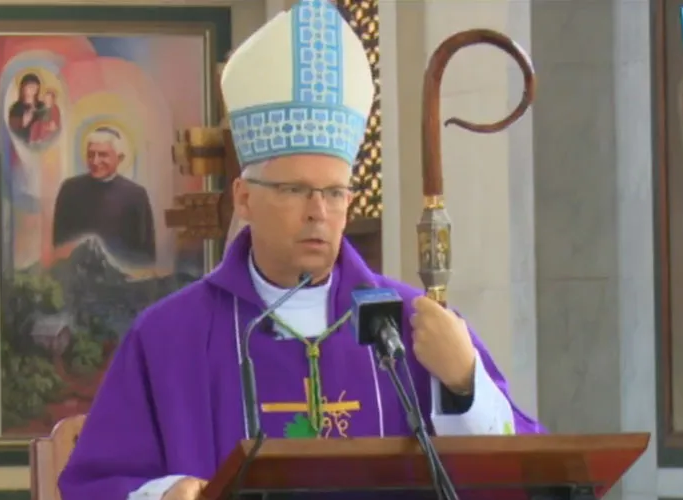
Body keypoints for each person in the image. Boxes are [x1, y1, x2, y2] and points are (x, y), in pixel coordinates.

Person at [58, 1, 544, 499]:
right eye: (294, 191)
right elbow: (92, 486)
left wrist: (464, 383)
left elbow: (533, 477)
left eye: (334, 193)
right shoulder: (169, 337)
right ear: (243, 198)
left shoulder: (411, 326)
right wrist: (164, 495)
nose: (318, 212)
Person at [52, 127, 156, 266]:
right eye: (91, 154)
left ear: (119, 158)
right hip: (78, 274)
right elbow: (59, 242)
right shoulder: (70, 189)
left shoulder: (136, 195)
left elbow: (146, 251)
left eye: (103, 155)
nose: (95, 161)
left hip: (122, 277)